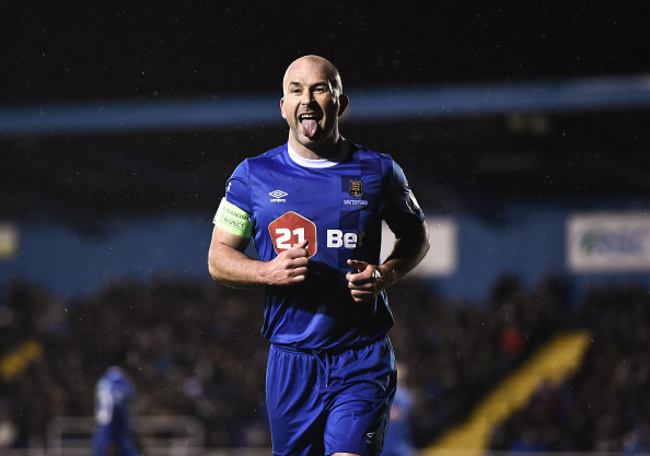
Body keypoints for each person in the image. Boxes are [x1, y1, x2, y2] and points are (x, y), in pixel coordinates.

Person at [207, 54, 430, 456]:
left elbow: (417, 238)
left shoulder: (378, 171)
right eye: (296, 90)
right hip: (291, 362)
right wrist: (266, 271)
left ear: (340, 103)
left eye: (319, 89)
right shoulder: (252, 176)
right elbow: (218, 257)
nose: (307, 99)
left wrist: (386, 275)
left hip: (360, 355)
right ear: (283, 107)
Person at [92, 365, 140, 456]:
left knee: (100, 447)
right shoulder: (120, 384)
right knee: (125, 446)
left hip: (103, 424)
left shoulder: (103, 383)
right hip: (114, 421)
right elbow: (118, 404)